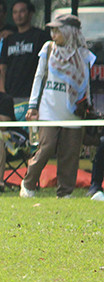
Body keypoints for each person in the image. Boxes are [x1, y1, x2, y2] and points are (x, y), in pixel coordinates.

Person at [20, 13, 96, 199]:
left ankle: (65, 192)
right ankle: (28, 184)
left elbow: (86, 83)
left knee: (70, 152)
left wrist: (88, 106)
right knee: (46, 147)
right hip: (49, 107)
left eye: (57, 31)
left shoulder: (83, 54)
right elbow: (39, 77)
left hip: (73, 110)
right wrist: (32, 105)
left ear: (69, 32)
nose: (53, 35)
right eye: (52, 31)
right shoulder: (48, 49)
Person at [0, 0, 51, 120]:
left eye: (22, 11)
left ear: (30, 13)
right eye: (15, 12)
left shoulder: (40, 36)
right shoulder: (9, 38)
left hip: (32, 93)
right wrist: (2, 90)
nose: (18, 15)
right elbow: (3, 66)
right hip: (11, 92)